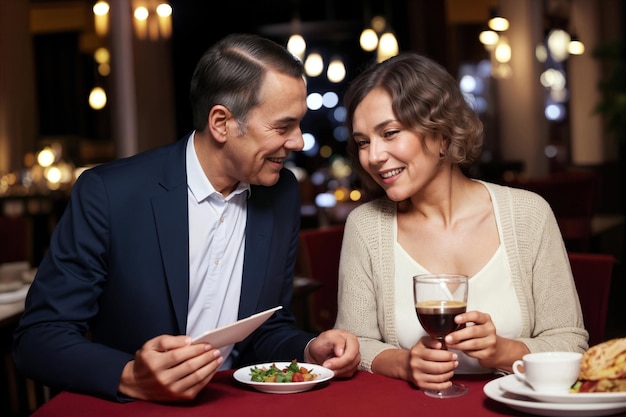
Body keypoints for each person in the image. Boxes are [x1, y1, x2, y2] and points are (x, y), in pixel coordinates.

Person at [13, 33, 359, 403]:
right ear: (221, 123)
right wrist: (130, 375)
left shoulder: (281, 193)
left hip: (238, 403)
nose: (299, 142)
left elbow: (268, 328)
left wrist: (309, 349)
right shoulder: (109, 194)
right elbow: (40, 337)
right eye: (282, 126)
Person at [334, 52, 587, 393]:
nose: (373, 156)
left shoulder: (529, 215)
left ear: (442, 135)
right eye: (363, 142)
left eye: (390, 133)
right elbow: (353, 342)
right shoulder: (366, 226)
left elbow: (571, 343)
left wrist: (502, 352)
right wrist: (404, 363)